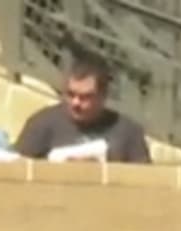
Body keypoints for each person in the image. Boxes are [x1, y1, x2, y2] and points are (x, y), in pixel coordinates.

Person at [12, 53, 151, 163]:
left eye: (85, 97)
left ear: (103, 95)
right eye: (71, 94)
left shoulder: (128, 133)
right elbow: (17, 170)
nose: (76, 102)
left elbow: (145, 180)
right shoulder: (42, 124)